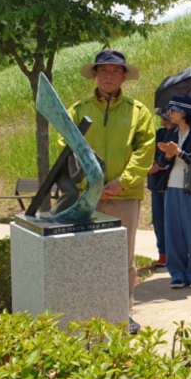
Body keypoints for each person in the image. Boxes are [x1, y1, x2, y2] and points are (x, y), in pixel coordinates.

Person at [63, 49, 156, 335]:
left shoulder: (138, 112)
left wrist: (121, 182)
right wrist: (87, 183)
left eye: (116, 71)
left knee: (124, 258)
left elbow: (144, 151)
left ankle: (123, 312)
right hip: (87, 198)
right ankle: (89, 311)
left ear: (124, 76)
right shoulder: (78, 110)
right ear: (94, 74)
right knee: (87, 254)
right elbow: (64, 147)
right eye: (104, 70)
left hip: (124, 196)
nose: (109, 76)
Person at [155, 94, 191, 290]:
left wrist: (179, 153)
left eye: (172, 110)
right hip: (172, 186)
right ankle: (178, 273)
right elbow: (162, 163)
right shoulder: (171, 133)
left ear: (183, 112)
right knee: (173, 231)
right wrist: (167, 154)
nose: (168, 114)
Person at [148, 108, 175, 268]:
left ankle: (174, 252)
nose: (160, 118)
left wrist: (160, 166)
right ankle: (163, 252)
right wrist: (152, 164)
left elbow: (176, 157)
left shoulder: (178, 133)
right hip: (154, 182)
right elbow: (151, 152)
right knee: (158, 220)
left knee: (170, 220)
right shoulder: (159, 132)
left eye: (163, 116)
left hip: (169, 181)